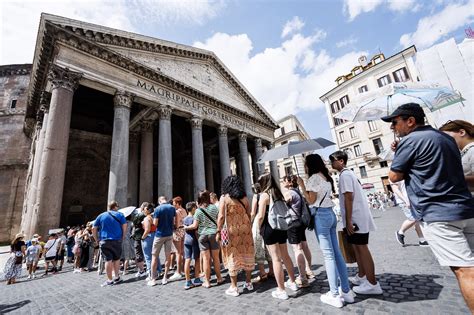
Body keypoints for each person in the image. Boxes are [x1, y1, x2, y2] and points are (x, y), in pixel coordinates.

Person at [382, 103, 474, 311]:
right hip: (466, 208)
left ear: (410, 121)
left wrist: (400, 151)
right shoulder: (447, 139)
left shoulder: (411, 140)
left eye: (395, 123)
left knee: (465, 271)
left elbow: (394, 176)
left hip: (438, 212)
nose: (393, 128)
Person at [298, 154, 354, 307]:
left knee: (328, 255)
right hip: (330, 214)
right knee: (336, 253)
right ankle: (346, 291)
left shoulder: (314, 178)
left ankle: (334, 294)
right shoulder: (326, 177)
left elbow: (311, 200)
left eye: (305, 164)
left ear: (310, 164)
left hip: (321, 216)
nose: (305, 166)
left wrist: (302, 186)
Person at [329, 150, 382, 295]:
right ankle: (362, 275)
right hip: (357, 217)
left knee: (362, 248)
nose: (331, 163)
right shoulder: (347, 174)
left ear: (341, 161)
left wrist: (348, 220)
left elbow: (349, 198)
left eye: (332, 160)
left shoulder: (345, 175)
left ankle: (372, 283)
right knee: (358, 248)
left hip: (356, 218)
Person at [256, 173, 298, 300]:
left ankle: (281, 290)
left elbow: (261, 216)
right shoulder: (279, 192)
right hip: (281, 226)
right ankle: (292, 282)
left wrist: (258, 227)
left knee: (276, 259)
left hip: (269, 227)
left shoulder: (264, 195)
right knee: (285, 255)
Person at [216, 175, 255, 297]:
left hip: (232, 230)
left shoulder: (224, 198)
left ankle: (234, 287)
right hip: (246, 229)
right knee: (247, 253)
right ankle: (248, 282)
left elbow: (221, 216)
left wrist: (218, 230)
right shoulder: (244, 198)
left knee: (232, 254)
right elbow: (249, 213)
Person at [185, 190, 223, 288]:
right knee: (216, 258)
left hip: (202, 236)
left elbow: (194, 226)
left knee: (206, 259)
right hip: (213, 234)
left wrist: (185, 227)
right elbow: (218, 219)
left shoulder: (198, 211)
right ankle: (219, 278)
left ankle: (207, 281)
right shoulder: (214, 207)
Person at [283, 175, 313, 288]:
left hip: (293, 223)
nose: (282, 182)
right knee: (304, 245)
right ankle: (308, 270)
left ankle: (303, 278)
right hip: (300, 222)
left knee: (297, 249)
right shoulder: (298, 192)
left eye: (284, 180)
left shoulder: (290, 193)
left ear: (290, 182)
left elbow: (282, 204)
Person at [93, 200, 127, 287]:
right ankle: (116, 277)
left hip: (104, 240)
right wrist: (123, 236)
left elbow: (94, 228)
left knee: (108, 260)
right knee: (116, 259)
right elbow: (124, 226)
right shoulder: (120, 215)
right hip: (116, 240)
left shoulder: (101, 215)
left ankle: (109, 280)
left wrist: (96, 239)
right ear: (115, 207)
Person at [439, 120, 474, 195]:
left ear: (462, 132)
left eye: (447, 137)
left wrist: (454, 178)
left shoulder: (472, 150)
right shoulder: (465, 152)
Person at [148, 196, 176, 286]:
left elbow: (155, 224)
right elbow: (174, 222)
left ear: (159, 201)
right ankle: (165, 278)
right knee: (168, 257)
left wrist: (153, 221)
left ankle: (153, 279)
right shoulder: (172, 208)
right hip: (169, 234)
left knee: (154, 256)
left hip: (159, 235)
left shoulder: (157, 209)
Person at [391, 180, 428, 247]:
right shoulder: (395, 174)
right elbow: (395, 189)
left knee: (417, 220)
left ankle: (422, 240)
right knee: (413, 219)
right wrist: (405, 200)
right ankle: (400, 232)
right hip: (404, 201)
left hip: (413, 199)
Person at [250, 183, 273, 282]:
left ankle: (262, 272)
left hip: (259, 221)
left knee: (258, 246)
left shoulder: (257, 196)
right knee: (269, 246)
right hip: (269, 221)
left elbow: (253, 212)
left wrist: (251, 222)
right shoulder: (269, 194)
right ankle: (272, 271)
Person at [182, 201, 203, 289]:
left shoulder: (185, 219)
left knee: (187, 260)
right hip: (194, 240)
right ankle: (197, 278)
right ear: (193, 208)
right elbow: (196, 230)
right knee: (197, 259)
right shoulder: (194, 218)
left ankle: (188, 281)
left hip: (186, 240)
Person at [140, 202, 161, 281]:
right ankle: (158, 271)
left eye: (143, 210)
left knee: (148, 257)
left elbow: (147, 230)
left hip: (148, 237)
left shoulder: (147, 218)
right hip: (155, 235)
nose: (142, 211)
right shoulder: (153, 217)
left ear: (147, 210)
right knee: (156, 255)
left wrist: (142, 237)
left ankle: (151, 273)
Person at [170, 196, 187, 281]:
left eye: (174, 204)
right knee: (182, 252)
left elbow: (176, 224)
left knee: (178, 253)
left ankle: (178, 272)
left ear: (177, 203)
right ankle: (183, 269)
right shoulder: (184, 210)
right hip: (184, 231)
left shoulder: (177, 212)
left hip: (177, 231)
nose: (173, 205)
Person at [131, 204, 147, 278]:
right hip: (145, 236)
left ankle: (141, 271)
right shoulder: (148, 216)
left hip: (139, 236)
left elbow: (134, 224)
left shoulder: (139, 216)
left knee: (138, 253)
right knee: (146, 252)